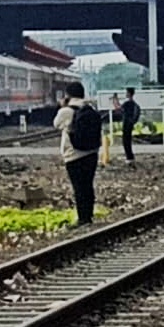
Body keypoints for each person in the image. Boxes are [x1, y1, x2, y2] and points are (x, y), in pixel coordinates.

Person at [54, 81, 101, 226]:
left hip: (74, 155)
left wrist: (63, 106)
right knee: (88, 185)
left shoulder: (66, 111)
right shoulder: (89, 108)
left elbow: (56, 124)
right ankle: (88, 215)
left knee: (79, 188)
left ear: (68, 95)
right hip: (92, 153)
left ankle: (83, 219)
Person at [119, 87, 142, 165]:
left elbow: (118, 108)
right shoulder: (134, 104)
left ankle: (129, 157)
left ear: (129, 93)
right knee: (128, 140)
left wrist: (114, 100)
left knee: (126, 141)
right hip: (130, 124)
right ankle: (130, 157)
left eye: (126, 92)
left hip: (127, 124)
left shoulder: (128, 103)